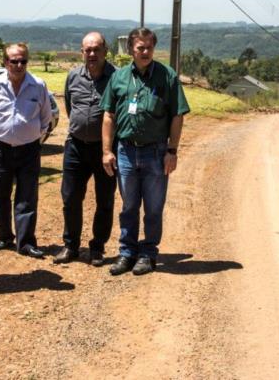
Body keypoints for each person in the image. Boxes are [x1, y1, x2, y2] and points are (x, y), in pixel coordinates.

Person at [100, 27, 190, 276]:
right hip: (126, 152)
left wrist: (172, 150)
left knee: (153, 207)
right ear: (131, 49)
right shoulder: (118, 78)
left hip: (156, 153)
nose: (145, 52)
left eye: (149, 47)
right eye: (140, 47)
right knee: (129, 205)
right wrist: (107, 151)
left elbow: (177, 115)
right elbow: (108, 115)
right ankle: (127, 253)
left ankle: (148, 253)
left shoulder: (166, 76)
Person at [54, 32, 117, 266]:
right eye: (87, 50)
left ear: (105, 51)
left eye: (96, 49)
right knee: (70, 197)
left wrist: (106, 145)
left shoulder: (117, 78)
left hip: (106, 150)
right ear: (82, 52)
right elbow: (71, 107)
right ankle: (70, 245)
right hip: (76, 147)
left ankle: (97, 247)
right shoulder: (72, 77)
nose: (92, 54)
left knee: (105, 200)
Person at [0, 43, 52, 258]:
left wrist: (35, 137)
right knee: (0, 195)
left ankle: (25, 242)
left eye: (22, 61)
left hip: (29, 150)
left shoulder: (38, 85)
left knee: (27, 196)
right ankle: (5, 236)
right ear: (5, 62)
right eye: (13, 61)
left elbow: (46, 118)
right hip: (0, 149)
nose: (18, 65)